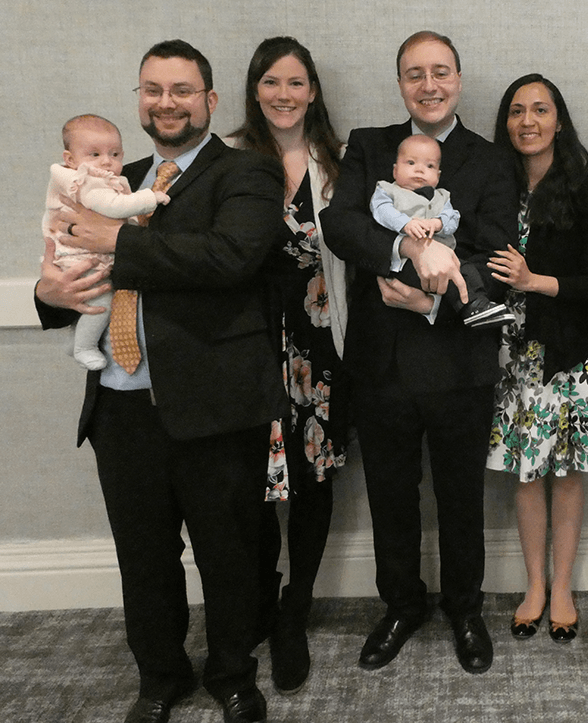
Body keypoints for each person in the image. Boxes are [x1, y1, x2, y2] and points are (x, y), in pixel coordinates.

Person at [35, 39, 286, 723]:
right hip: (120, 407)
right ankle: (159, 675)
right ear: (139, 98)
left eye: (181, 90)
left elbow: (227, 258)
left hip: (214, 405)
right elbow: (63, 264)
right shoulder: (117, 179)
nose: (165, 102)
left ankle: (234, 674)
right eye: (152, 89)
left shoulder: (250, 174)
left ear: (209, 100)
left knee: (227, 551)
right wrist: (47, 287)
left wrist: (113, 240)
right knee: (144, 559)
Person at [319, 30, 517, 675]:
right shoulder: (370, 145)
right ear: (400, 82)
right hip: (381, 364)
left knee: (462, 496)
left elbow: (493, 251)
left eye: (440, 72)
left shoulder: (489, 160)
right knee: (391, 495)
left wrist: (431, 300)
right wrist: (407, 249)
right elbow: (342, 223)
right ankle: (401, 605)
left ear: (459, 78)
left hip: (461, 358)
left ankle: (464, 607)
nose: (428, 85)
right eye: (414, 74)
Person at [228, 36, 350, 696]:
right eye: (271, 81)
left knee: (312, 480)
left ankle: (294, 612)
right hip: (246, 345)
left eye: (296, 82)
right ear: (254, 89)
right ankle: (261, 601)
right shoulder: (228, 160)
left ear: (312, 92)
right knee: (249, 483)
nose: (283, 94)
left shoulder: (339, 160)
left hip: (322, 344)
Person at [486, 73, 588, 643]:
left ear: (559, 121)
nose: (528, 121)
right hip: (510, 358)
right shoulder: (491, 187)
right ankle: (533, 585)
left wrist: (535, 281)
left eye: (541, 110)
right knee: (525, 473)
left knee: (565, 477)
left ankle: (561, 587)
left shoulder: (587, 192)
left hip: (569, 357)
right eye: (517, 111)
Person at [44, 114, 170, 370]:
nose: (107, 161)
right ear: (70, 160)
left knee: (96, 297)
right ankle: (84, 346)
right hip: (79, 258)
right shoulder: (85, 181)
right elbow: (112, 206)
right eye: (95, 154)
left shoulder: (107, 179)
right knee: (101, 300)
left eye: (115, 154)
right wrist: (150, 198)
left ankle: (77, 340)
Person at [370, 133, 513, 328]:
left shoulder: (442, 197)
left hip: (447, 260)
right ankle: (469, 306)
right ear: (395, 171)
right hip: (406, 264)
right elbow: (381, 211)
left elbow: (453, 219)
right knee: (445, 278)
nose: (420, 170)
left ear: (437, 176)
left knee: (466, 270)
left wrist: (438, 224)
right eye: (411, 163)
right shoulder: (387, 190)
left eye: (429, 166)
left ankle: (477, 304)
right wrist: (405, 224)